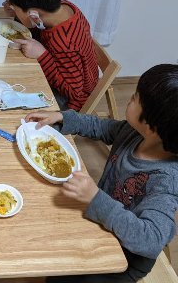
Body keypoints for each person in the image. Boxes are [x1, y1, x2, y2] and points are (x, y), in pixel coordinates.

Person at [25, 64, 178, 282]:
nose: (131, 98)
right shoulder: (133, 133)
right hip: (102, 222)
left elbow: (151, 241)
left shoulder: (166, 183)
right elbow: (101, 127)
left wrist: (96, 199)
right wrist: (62, 117)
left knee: (67, 273)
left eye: (136, 98)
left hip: (124, 259)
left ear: (152, 127)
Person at [1, 0, 99, 111]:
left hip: (72, 100)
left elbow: (73, 92)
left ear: (33, 14)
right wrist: (16, 13)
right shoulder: (63, 7)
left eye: (15, 7)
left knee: (13, 94)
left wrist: (42, 55)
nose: (12, 9)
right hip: (71, 76)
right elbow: (37, 27)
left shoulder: (64, 43)